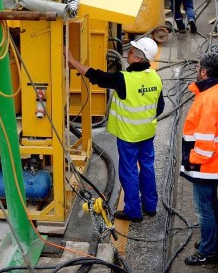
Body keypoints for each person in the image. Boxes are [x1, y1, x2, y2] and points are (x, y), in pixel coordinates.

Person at [68, 37, 164, 223]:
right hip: (147, 133)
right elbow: (160, 107)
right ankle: (150, 207)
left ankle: (133, 212)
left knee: (129, 171)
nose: (127, 53)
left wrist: (73, 62)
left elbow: (97, 77)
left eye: (131, 51)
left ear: (138, 57)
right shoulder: (155, 77)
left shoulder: (124, 79)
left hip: (129, 136)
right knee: (147, 168)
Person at [180, 52, 218, 266]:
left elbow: (204, 140)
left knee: (203, 209)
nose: (195, 69)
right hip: (217, 162)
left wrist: (192, 159)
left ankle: (207, 250)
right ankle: (213, 239)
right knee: (211, 202)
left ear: (204, 71)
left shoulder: (208, 100)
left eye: (198, 66)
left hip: (204, 164)